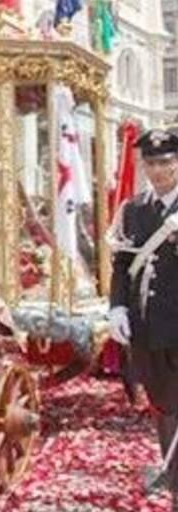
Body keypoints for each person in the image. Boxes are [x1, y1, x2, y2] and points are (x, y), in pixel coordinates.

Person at [108, 127, 178, 509]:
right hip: (146, 328)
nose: (158, 170)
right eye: (151, 163)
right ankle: (172, 473)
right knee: (163, 403)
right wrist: (117, 307)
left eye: (166, 162)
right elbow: (121, 264)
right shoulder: (133, 210)